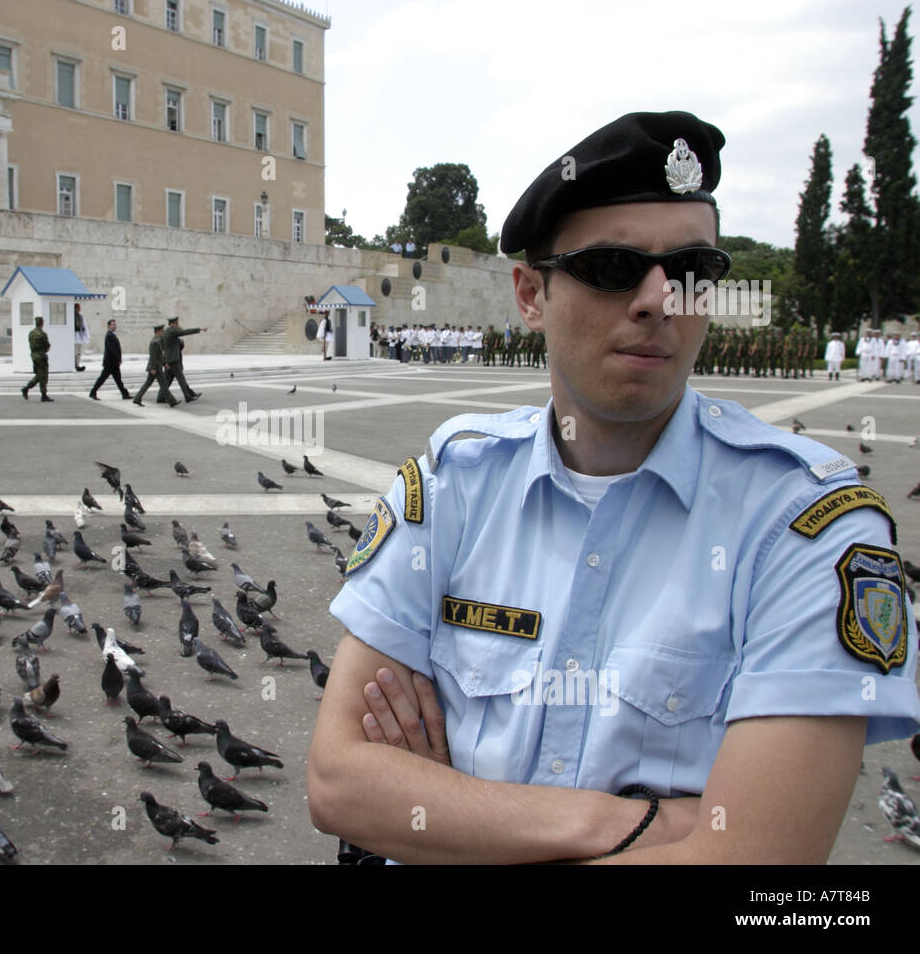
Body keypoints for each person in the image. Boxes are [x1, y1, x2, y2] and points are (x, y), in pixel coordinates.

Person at [307, 110, 919, 865]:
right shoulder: (456, 481)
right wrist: (616, 824)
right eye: (612, 267)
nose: (659, 300)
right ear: (530, 295)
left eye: (691, 273)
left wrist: (450, 816)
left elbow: (757, 870)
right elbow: (339, 783)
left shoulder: (810, 529)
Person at [160, 315, 204, 403]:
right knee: (181, 379)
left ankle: (160, 397)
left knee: (167, 380)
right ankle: (187, 396)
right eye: (176, 323)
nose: (178, 325)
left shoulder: (166, 332)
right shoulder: (172, 331)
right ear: (172, 324)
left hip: (169, 359)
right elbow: (185, 332)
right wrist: (199, 329)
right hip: (173, 360)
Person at [89, 318, 132, 400]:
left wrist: (119, 359)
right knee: (102, 379)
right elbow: (111, 349)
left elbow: (116, 349)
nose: (114, 326)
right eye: (113, 325)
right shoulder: (109, 335)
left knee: (118, 380)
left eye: (115, 325)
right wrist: (118, 359)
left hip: (114, 363)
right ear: (108, 326)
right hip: (110, 363)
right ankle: (92, 392)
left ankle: (124, 394)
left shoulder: (112, 335)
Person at [132, 324, 175, 406]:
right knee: (163, 385)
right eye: (162, 331)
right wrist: (153, 368)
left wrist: (164, 363)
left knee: (149, 384)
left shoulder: (157, 340)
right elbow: (153, 357)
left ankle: (137, 398)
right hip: (155, 367)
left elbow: (159, 356)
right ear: (158, 332)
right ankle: (172, 401)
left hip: (156, 366)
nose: (163, 332)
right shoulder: (155, 342)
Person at [20, 316, 53, 402]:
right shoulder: (42, 334)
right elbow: (48, 347)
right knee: (43, 376)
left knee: (39, 375)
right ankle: (43, 395)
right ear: (42, 323)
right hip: (41, 356)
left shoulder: (31, 333)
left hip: (34, 356)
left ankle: (27, 388)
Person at [73, 303, 89, 372]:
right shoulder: (72, 316)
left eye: (79, 308)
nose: (78, 309)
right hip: (74, 336)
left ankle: (77, 365)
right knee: (75, 352)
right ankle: (75, 365)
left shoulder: (80, 316)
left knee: (78, 352)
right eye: (77, 308)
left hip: (79, 336)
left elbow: (84, 326)